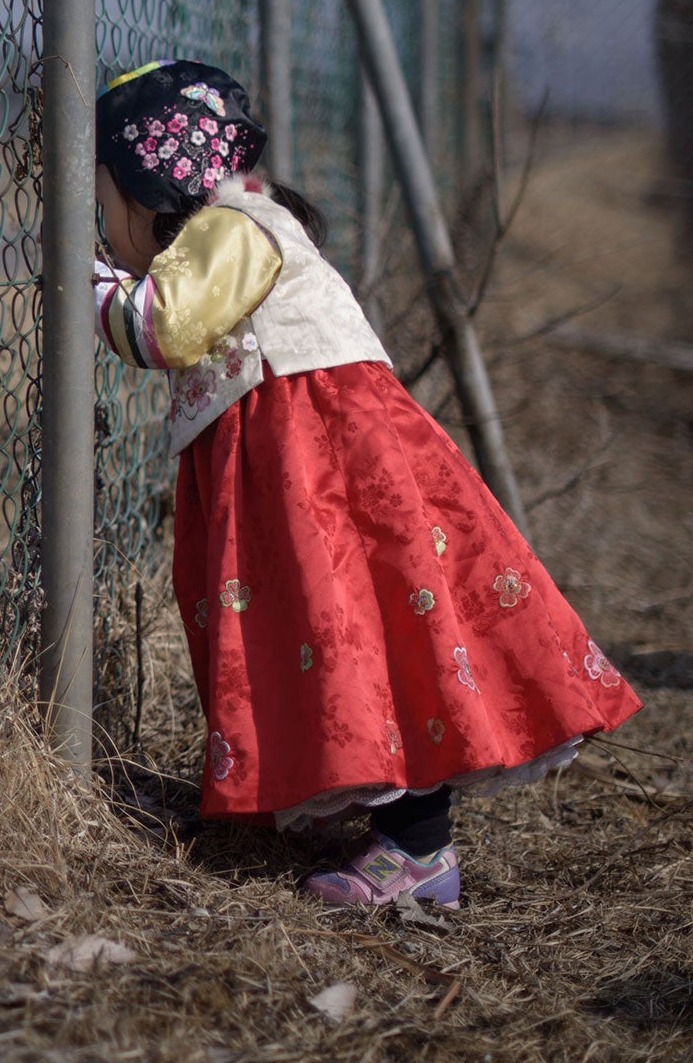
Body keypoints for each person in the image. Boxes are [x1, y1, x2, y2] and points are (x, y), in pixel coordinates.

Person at [90, 59, 641, 909]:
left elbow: (161, 327)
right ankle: (350, 800)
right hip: (290, 464)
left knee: (370, 628)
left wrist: (78, 274)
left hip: (318, 464)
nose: (98, 223)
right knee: (316, 626)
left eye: (100, 201)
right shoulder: (224, 227)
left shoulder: (235, 227)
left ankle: (419, 850)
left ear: (149, 184)